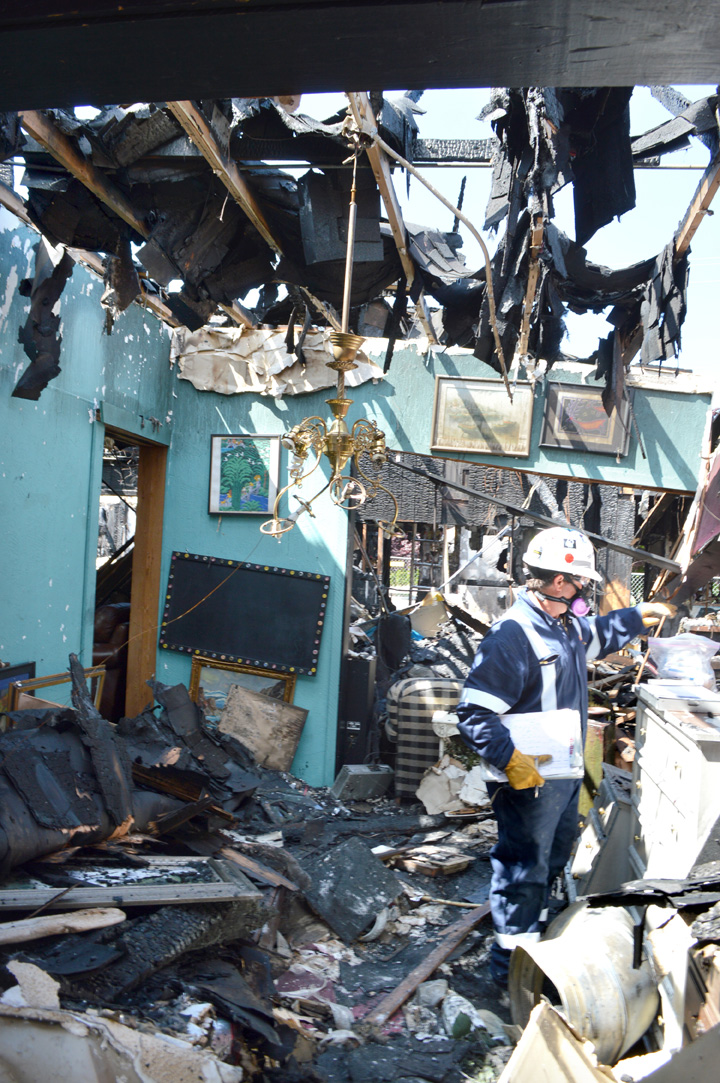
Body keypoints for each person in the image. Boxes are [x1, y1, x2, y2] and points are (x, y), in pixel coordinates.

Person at [455, 526, 672, 987]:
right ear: (558, 583)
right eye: (582, 584)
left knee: (551, 859)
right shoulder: (512, 636)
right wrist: (512, 761)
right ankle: (509, 973)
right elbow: (474, 713)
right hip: (527, 777)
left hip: (559, 773)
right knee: (522, 869)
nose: (585, 592)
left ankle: (537, 945)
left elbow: (594, 637)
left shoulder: (563, 624)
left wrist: (636, 617)